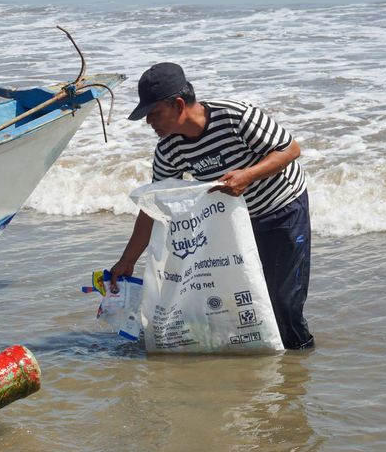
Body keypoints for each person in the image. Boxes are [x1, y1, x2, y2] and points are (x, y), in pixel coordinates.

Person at [109, 62, 314, 349]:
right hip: (232, 224)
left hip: (281, 208)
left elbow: (291, 149)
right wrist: (127, 259)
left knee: (283, 303)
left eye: (154, 114)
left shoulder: (236, 116)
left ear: (178, 105)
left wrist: (248, 175)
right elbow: (154, 207)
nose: (149, 123)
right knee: (243, 302)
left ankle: (298, 368)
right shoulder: (169, 148)